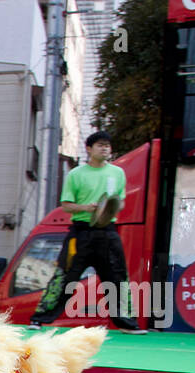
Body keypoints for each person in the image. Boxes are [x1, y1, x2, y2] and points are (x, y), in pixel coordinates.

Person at [31, 131, 143, 332]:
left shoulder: (117, 173)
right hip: (81, 233)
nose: (105, 149)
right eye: (100, 145)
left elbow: (121, 200)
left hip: (108, 232)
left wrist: (108, 208)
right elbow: (66, 205)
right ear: (89, 149)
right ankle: (39, 319)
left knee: (117, 277)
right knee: (65, 276)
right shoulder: (76, 174)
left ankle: (127, 324)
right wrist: (86, 208)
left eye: (107, 145)